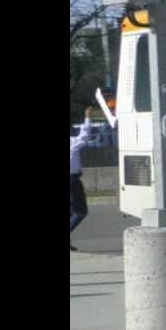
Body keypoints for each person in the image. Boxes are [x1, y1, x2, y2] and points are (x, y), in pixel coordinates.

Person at [69, 106, 92, 251]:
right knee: (80, 211)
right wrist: (88, 117)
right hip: (72, 180)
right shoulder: (71, 142)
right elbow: (84, 136)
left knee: (71, 212)